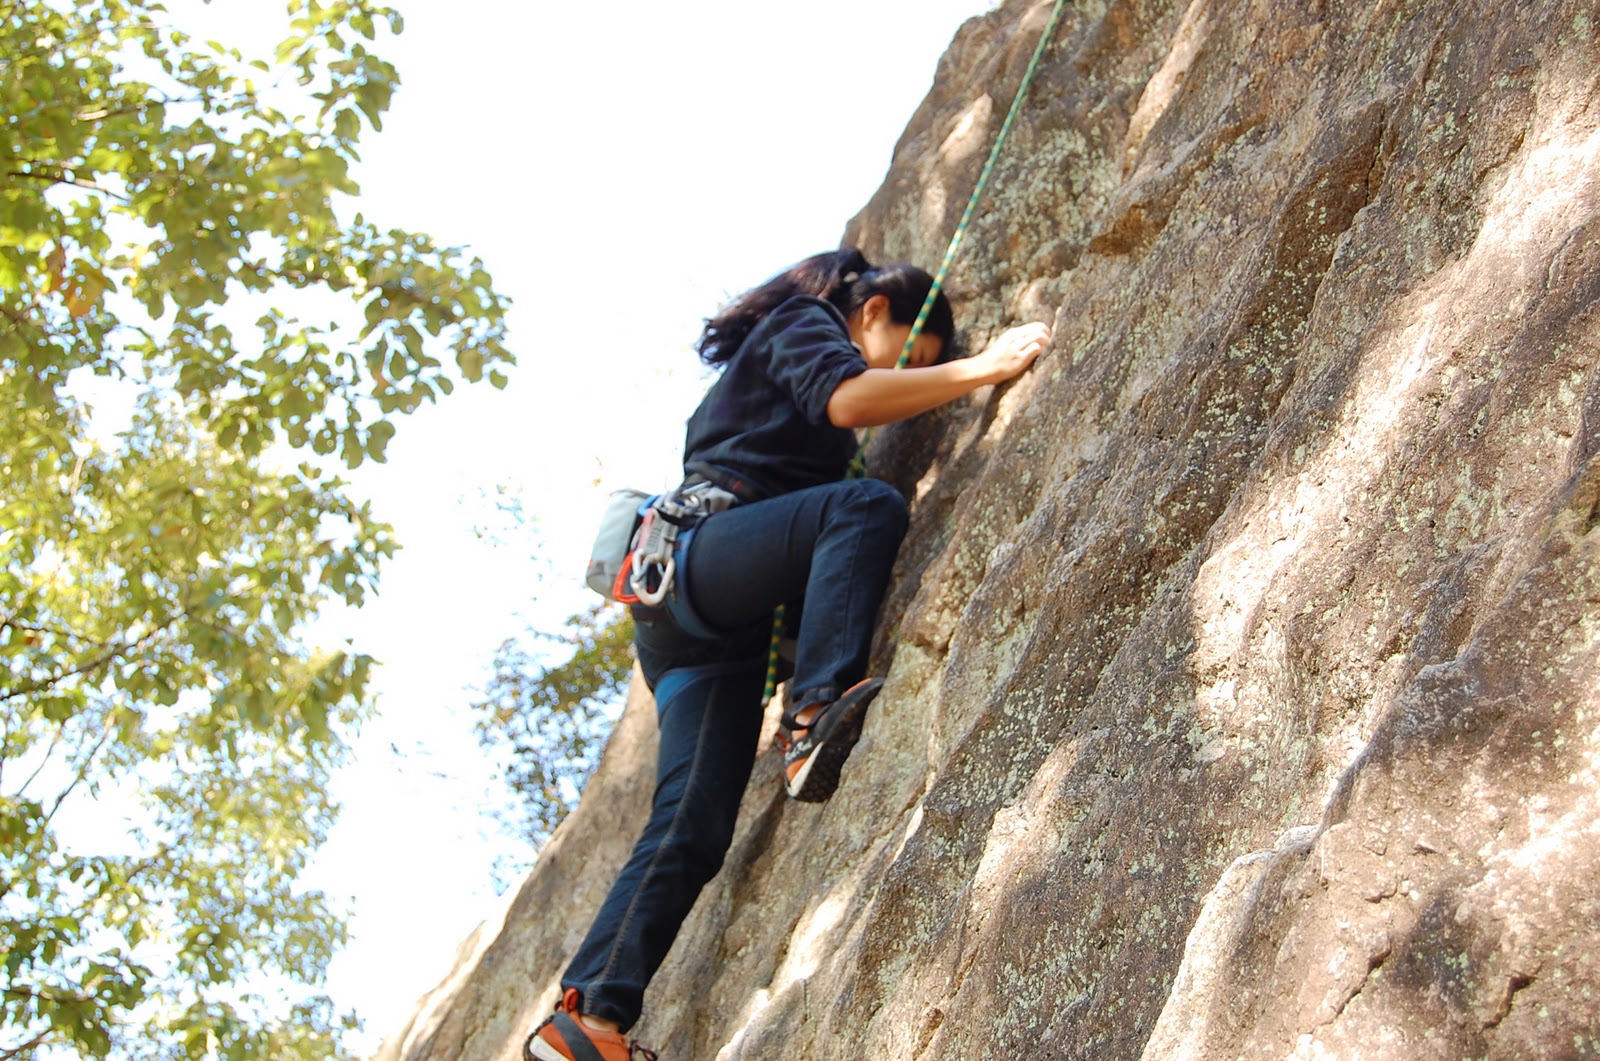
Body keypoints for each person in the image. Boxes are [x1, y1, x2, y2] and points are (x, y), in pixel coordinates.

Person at [525, 248, 1051, 1061]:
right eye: (913, 355)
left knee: (693, 821)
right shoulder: (802, 322)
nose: (915, 381)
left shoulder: (801, 390)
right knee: (864, 506)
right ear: (873, 310)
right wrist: (980, 368)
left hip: (700, 625)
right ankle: (811, 720)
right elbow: (848, 399)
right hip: (698, 558)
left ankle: (585, 1020)